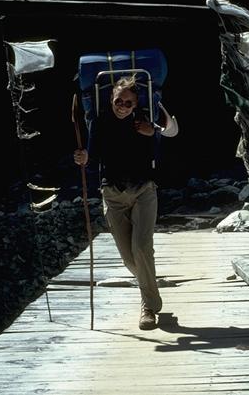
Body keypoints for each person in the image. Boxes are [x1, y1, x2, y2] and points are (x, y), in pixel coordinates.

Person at [74, 75, 178, 330]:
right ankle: (149, 287)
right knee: (129, 258)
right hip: (112, 193)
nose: (122, 106)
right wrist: (84, 157)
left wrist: (153, 130)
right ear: (111, 99)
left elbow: (173, 131)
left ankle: (149, 307)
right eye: (118, 101)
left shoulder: (147, 117)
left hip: (144, 189)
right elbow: (93, 154)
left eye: (128, 103)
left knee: (141, 248)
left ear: (136, 103)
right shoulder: (99, 122)